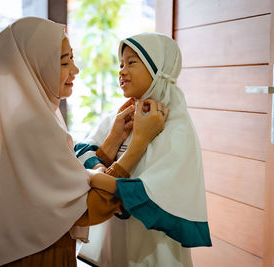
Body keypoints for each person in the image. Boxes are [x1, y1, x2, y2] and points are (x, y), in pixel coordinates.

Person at [0, 17, 168, 267]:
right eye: (65, 61)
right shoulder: (34, 127)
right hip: (39, 256)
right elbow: (87, 206)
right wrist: (139, 142)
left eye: (72, 59)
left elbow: (63, 184)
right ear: (34, 68)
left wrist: (112, 142)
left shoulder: (22, 118)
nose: (75, 70)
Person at [77, 33, 212, 267]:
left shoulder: (176, 127)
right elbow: (83, 152)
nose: (121, 71)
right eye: (120, 64)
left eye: (131, 62)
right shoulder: (118, 118)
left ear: (158, 68)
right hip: (115, 244)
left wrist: (93, 177)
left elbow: (152, 194)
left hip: (153, 251)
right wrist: (100, 173)